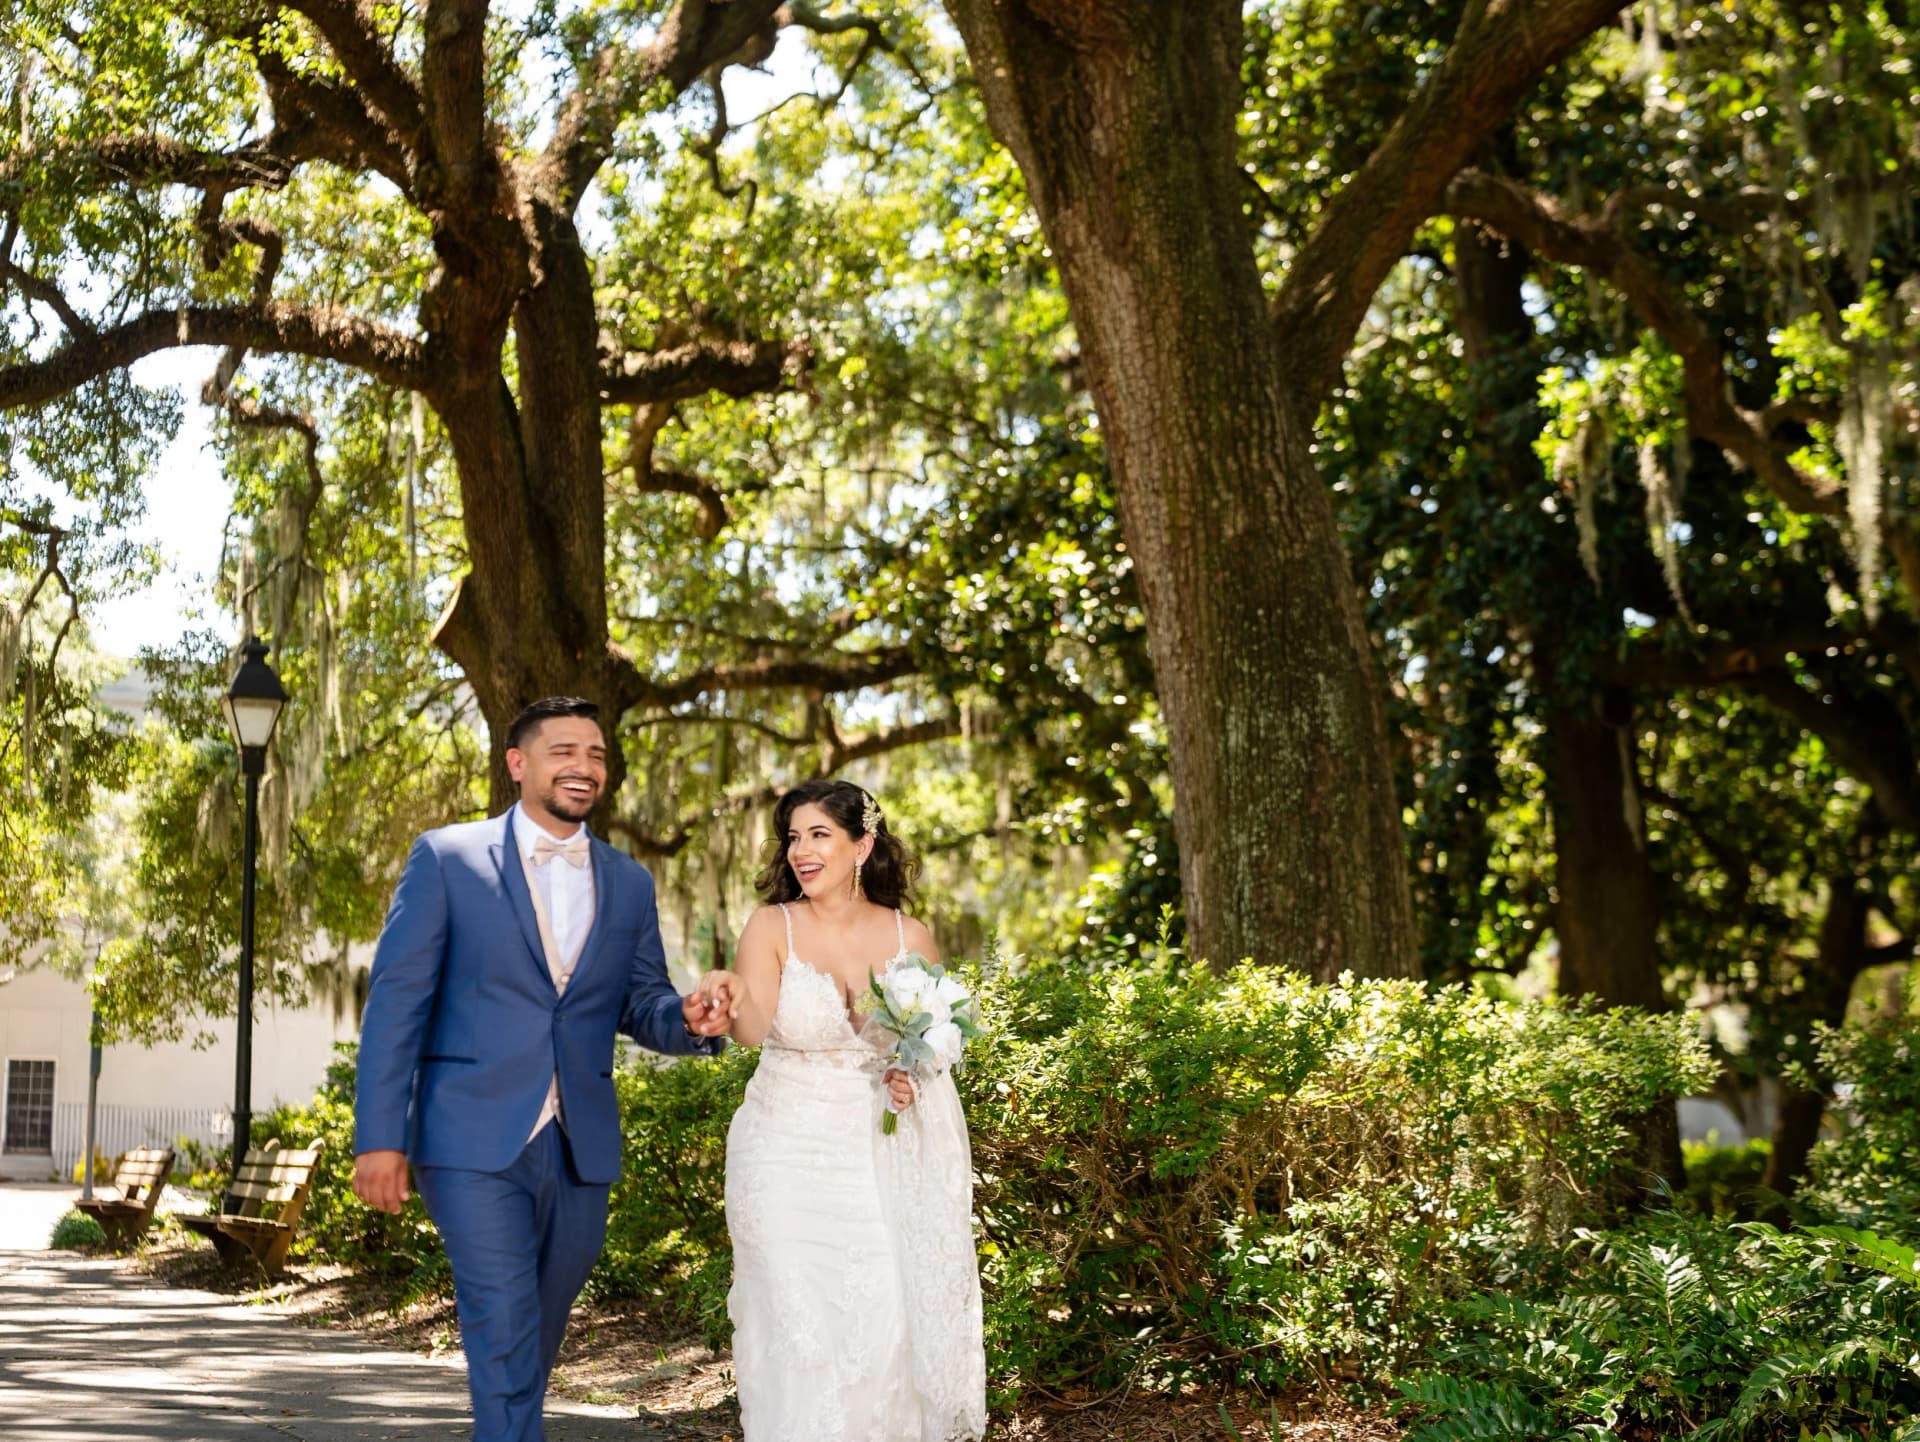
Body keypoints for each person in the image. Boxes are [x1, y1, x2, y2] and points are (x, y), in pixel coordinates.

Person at [351, 696, 733, 1442]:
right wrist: (379, 1138)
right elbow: (395, 1006)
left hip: (579, 1144)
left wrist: (686, 1021)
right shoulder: (446, 858)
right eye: (564, 752)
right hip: (468, 1139)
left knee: (534, 1327)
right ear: (518, 763)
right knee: (505, 1321)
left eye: (595, 754)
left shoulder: (630, 882)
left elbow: (641, 999)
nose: (583, 767)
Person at [698, 778, 987, 1442]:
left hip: (875, 1160)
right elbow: (752, 1029)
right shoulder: (773, 925)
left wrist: (909, 1077)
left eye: (819, 834)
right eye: (794, 837)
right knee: (800, 1326)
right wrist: (725, 1001)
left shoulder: (908, 934)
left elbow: (930, 1052)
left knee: (883, 1321)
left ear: (863, 844)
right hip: (783, 1150)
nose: (802, 849)